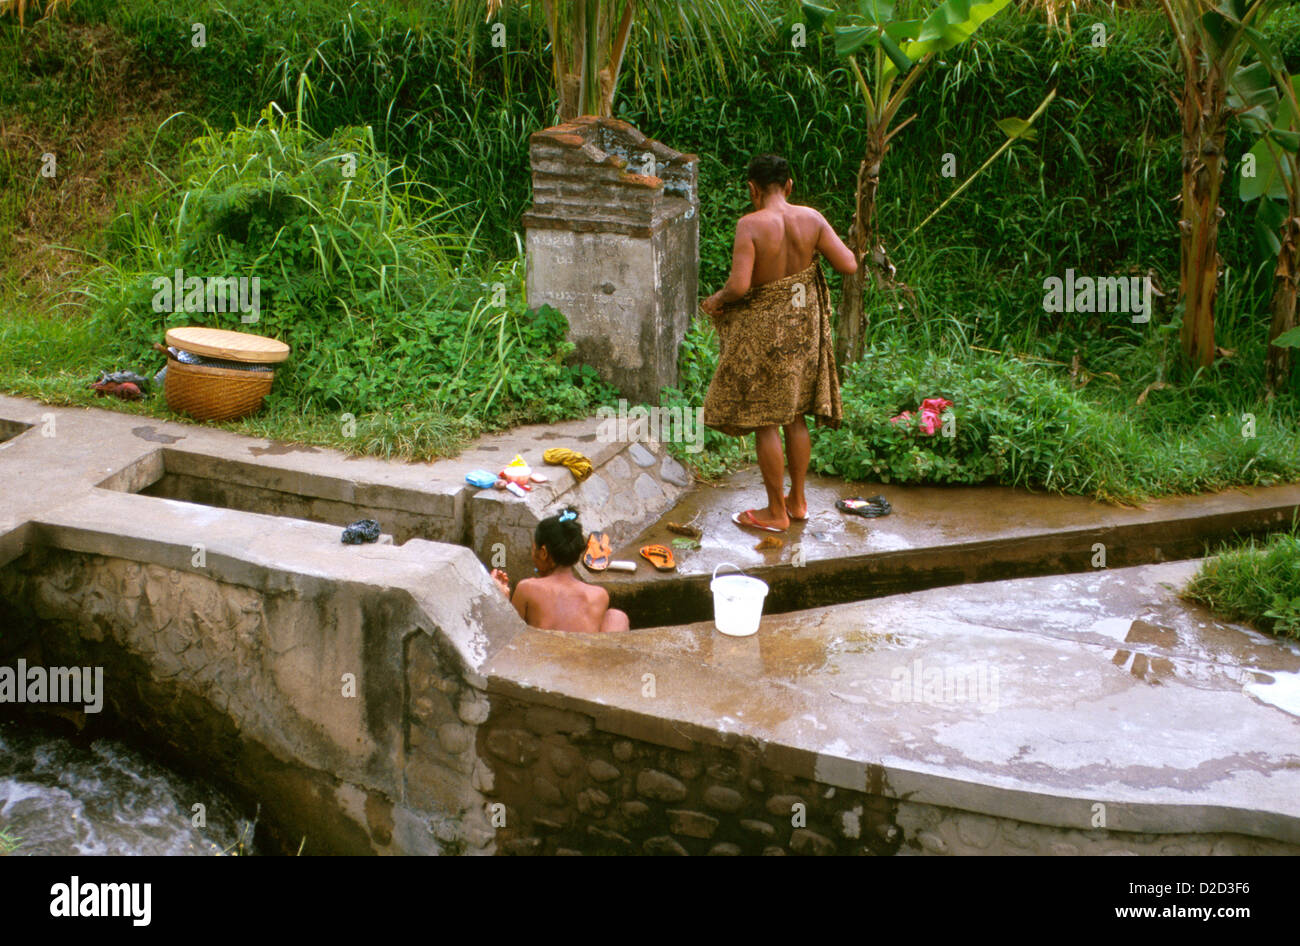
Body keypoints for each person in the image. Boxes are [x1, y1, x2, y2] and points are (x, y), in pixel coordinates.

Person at [701, 153, 857, 532]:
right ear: (789, 186)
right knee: (794, 413)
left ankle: (775, 512)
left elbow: (740, 286)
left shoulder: (750, 225)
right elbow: (849, 264)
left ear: (752, 190)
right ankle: (798, 501)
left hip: (764, 333)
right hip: (803, 330)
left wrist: (716, 301)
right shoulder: (812, 219)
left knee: (766, 419)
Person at [491, 507, 630, 633]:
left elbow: (508, 635)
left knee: (616, 616)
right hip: (584, 659)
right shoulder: (599, 595)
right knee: (617, 616)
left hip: (543, 659)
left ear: (544, 553)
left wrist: (499, 597)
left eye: (534, 550)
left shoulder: (526, 588)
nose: (532, 555)